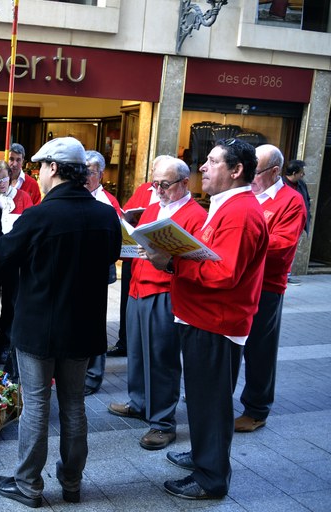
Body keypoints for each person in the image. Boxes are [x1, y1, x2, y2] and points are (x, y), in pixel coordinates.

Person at [0, 137, 121, 508]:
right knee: (74, 404)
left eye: (40, 167)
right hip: (83, 326)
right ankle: (71, 482)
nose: (36, 174)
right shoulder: (105, 215)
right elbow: (108, 260)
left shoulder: (39, 216)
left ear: (54, 169)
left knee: (37, 404)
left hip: (39, 326)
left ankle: (28, 484)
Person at [144, 138, 268, 500]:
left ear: (236, 170)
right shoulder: (227, 205)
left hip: (215, 323)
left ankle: (210, 477)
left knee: (210, 403)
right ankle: (203, 455)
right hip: (201, 318)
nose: (202, 167)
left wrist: (173, 262)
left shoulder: (241, 212)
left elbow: (224, 273)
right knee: (200, 399)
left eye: (212, 162)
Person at [107, 157, 206, 450]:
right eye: (155, 184)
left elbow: (195, 258)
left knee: (162, 359)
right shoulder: (153, 207)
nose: (158, 190)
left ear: (184, 183)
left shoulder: (195, 215)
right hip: (139, 287)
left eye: (164, 184)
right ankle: (139, 402)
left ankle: (163, 422)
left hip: (165, 291)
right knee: (136, 353)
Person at [235, 144, 306, 433]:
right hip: (238, 281)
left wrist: (241, 238)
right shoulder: (247, 194)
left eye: (257, 170)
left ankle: (256, 408)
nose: (250, 175)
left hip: (266, 286)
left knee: (260, 348)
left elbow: (282, 245)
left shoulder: (291, 201)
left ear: (275, 171)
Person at [105, 155, 168, 358]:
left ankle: (140, 346)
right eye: (152, 172)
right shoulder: (144, 189)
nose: (153, 178)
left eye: (157, 173)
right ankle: (124, 341)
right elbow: (126, 212)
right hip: (134, 255)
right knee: (127, 302)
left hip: (156, 261)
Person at [0, 160, 33, 364]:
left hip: (13, 259)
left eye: (4, 178)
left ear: (11, 178)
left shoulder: (23, 197)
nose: (1, 183)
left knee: (11, 302)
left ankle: (7, 345)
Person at [82, 150, 122, 395]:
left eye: (91, 172)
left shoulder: (108, 202)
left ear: (101, 175)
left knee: (95, 321)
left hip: (97, 268)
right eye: (83, 170)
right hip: (77, 269)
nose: (86, 176)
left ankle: (93, 376)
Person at [283, 159, 311, 285]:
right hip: (285, 223)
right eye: (301, 172)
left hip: (298, 224)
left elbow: (307, 199)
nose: (303, 175)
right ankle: (283, 273)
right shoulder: (281, 184)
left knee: (292, 248)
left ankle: (287, 274)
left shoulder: (301, 185)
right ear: (294, 173)